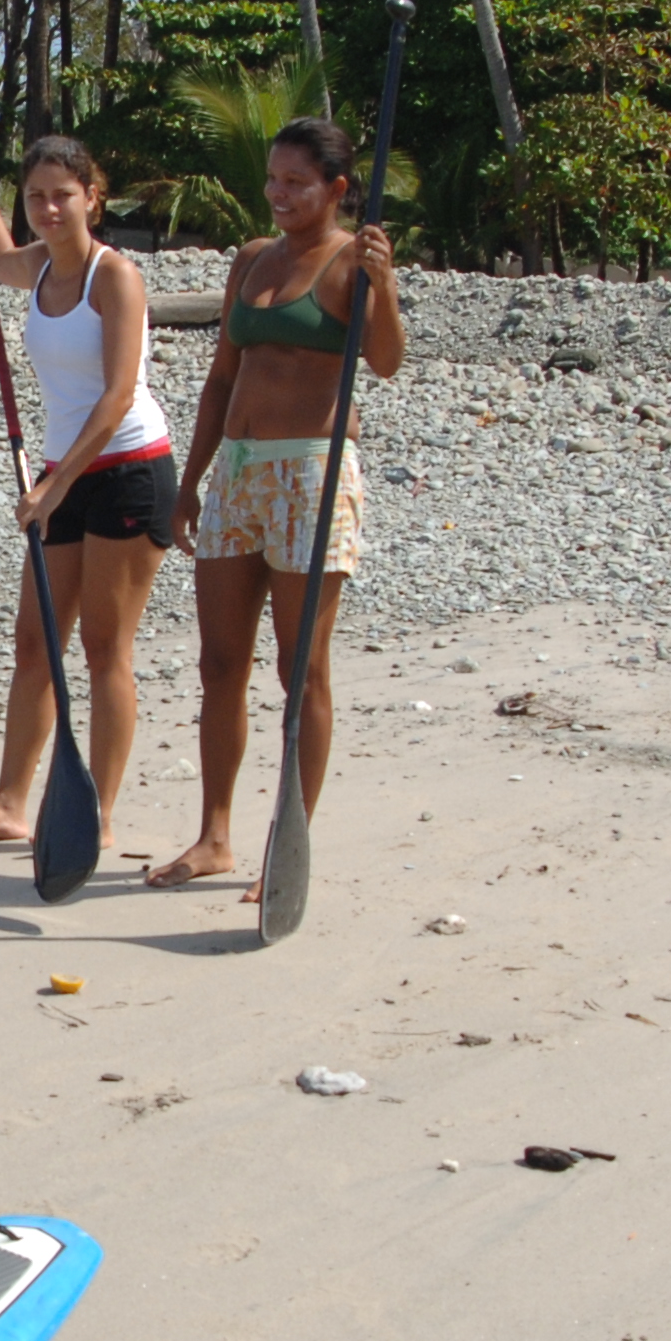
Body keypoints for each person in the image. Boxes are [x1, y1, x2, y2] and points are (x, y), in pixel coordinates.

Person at [150, 113, 406, 897]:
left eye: (296, 183)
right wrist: (188, 482)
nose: (278, 194)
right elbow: (222, 378)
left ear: (336, 189)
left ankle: (286, 846)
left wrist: (385, 285)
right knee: (219, 663)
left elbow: (387, 362)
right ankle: (214, 836)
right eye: (272, 179)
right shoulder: (252, 260)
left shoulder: (350, 262)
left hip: (314, 472)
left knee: (303, 671)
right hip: (239, 471)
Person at [0, 125, 173, 859]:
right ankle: (11, 804)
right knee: (36, 643)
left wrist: (54, 483)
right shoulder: (38, 266)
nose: (47, 209)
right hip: (63, 473)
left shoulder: (116, 277)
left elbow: (116, 396)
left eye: (61, 197)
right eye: (36, 197)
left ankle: (96, 813)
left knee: (106, 646)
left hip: (128, 465)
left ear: (91, 199)